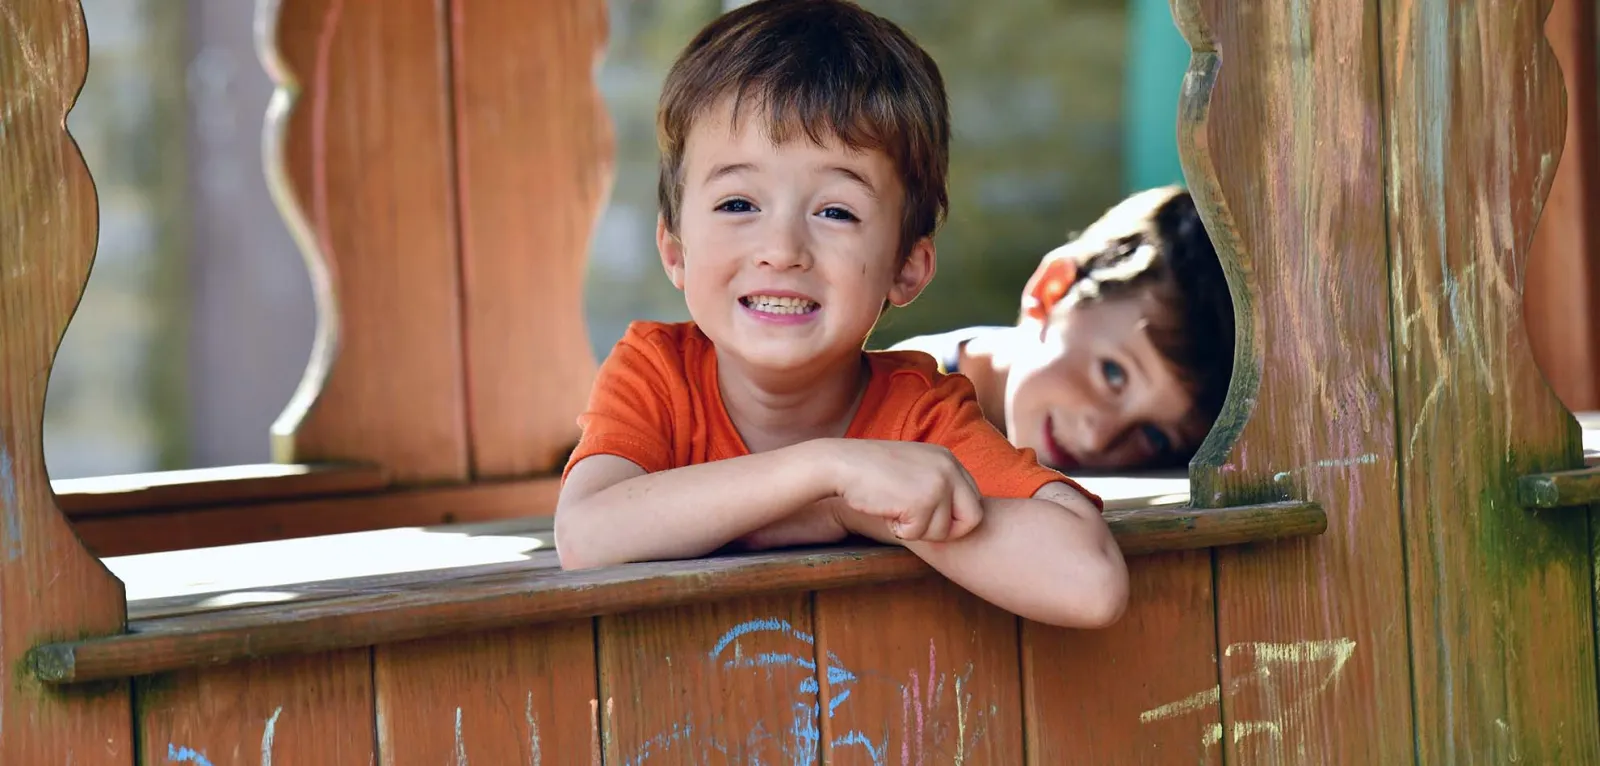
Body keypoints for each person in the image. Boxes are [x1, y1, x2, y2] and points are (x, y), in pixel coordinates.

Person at [556, 0, 1127, 629]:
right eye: (739, 202)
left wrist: (856, 511)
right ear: (674, 250)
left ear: (907, 265)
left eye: (836, 212)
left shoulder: (917, 413)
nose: (781, 251)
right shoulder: (656, 373)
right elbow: (586, 535)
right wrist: (827, 472)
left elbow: (1090, 584)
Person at [892, 186, 1233, 472]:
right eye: (1113, 373)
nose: (1097, 439)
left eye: (1155, 436)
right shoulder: (890, 400)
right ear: (1051, 290)